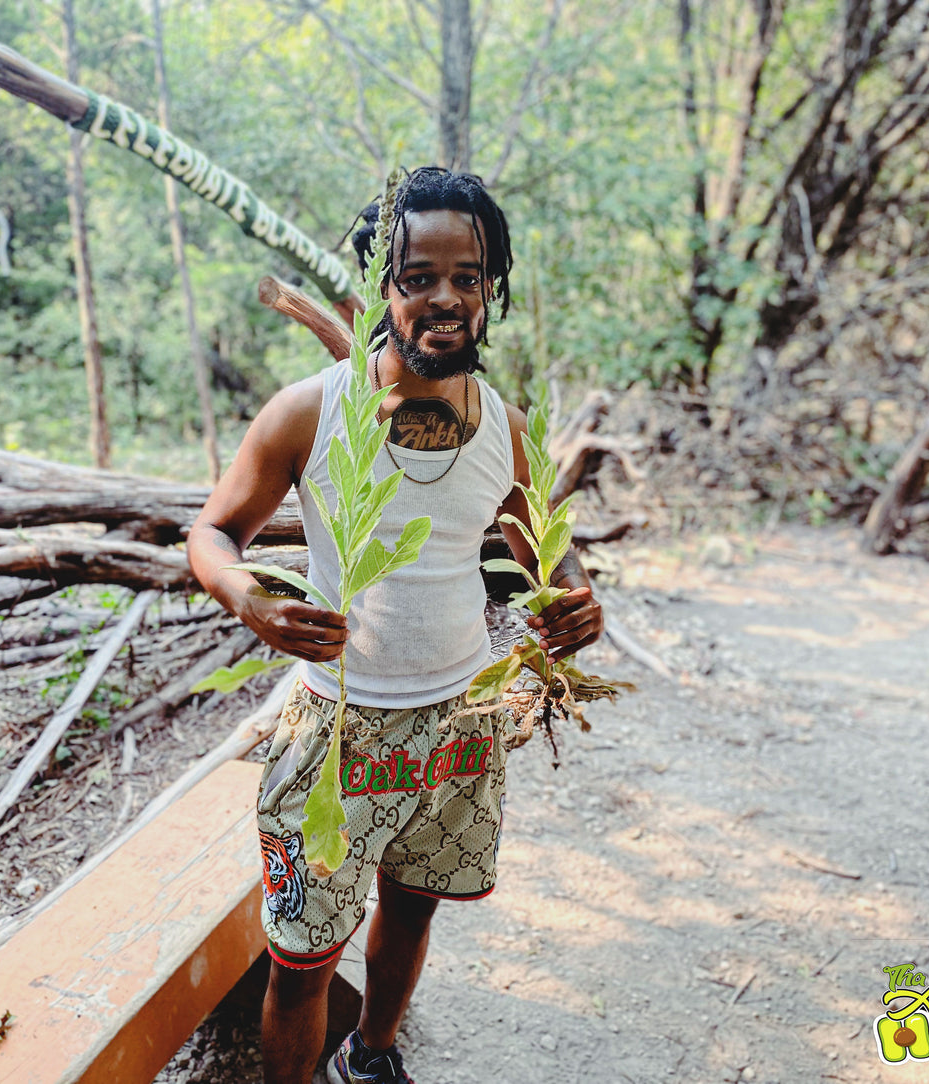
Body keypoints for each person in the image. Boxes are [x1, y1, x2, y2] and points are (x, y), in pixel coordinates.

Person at [186, 167, 603, 1084]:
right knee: (301, 962)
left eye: (468, 276)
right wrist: (250, 601)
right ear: (385, 287)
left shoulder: (506, 425)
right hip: (334, 730)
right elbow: (212, 531)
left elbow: (544, 543)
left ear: (493, 289)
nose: (444, 298)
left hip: (458, 726)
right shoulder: (312, 411)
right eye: (419, 277)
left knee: (412, 911)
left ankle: (371, 1058)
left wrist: (571, 596)